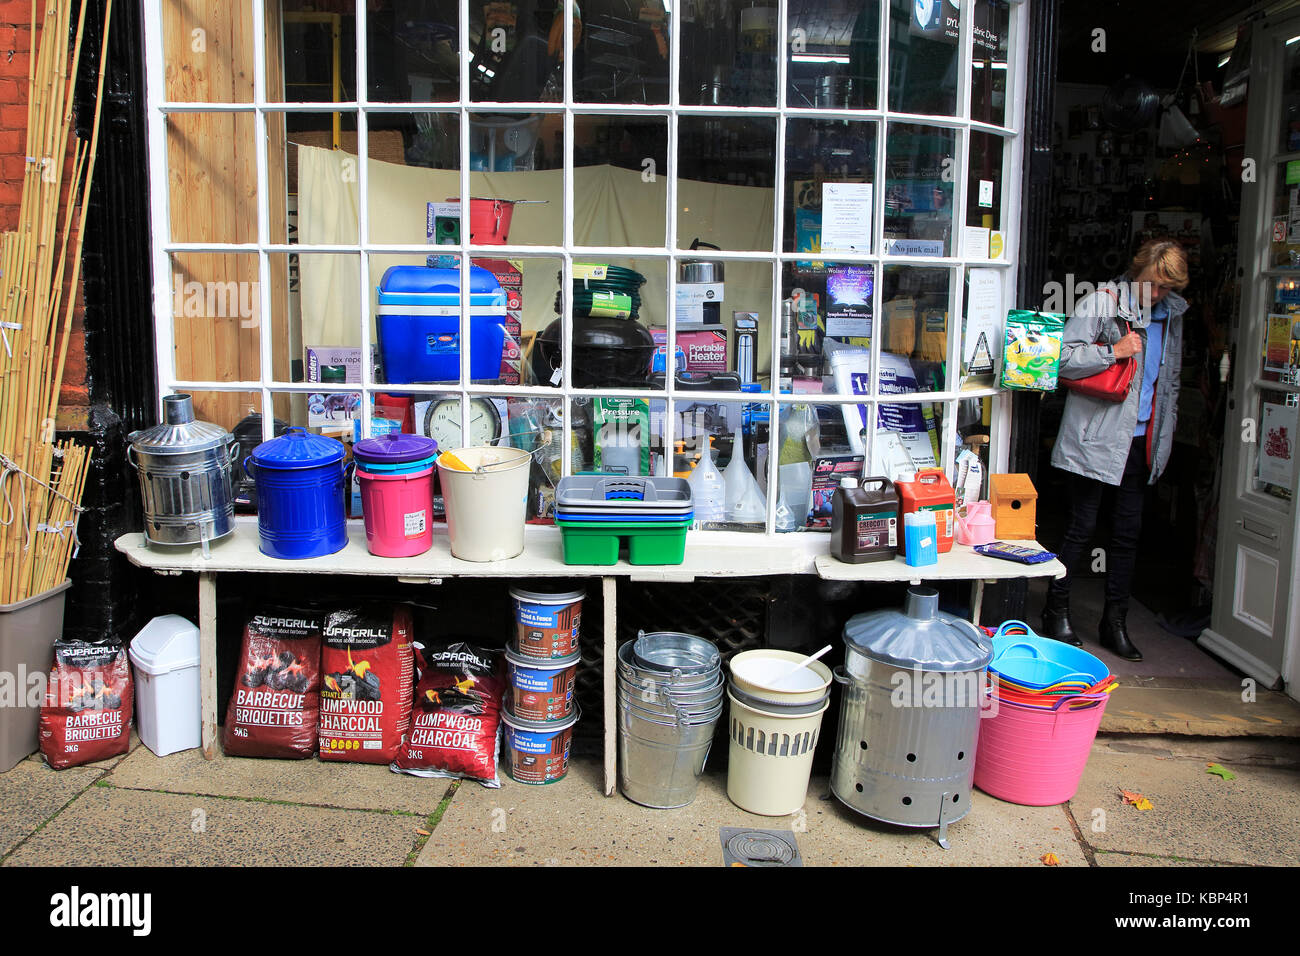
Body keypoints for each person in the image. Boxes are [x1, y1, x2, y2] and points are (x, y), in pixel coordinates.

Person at [1041, 240, 1190, 661]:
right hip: (1097, 436)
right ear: (1136, 270)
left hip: (1141, 441)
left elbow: (1169, 381)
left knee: (1127, 535)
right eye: (1153, 284)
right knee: (1081, 528)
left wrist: (1166, 435)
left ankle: (1115, 622)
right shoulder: (1101, 302)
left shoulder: (1171, 316)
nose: (1157, 294)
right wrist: (1114, 352)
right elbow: (1059, 359)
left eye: (1166, 288)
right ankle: (1056, 610)